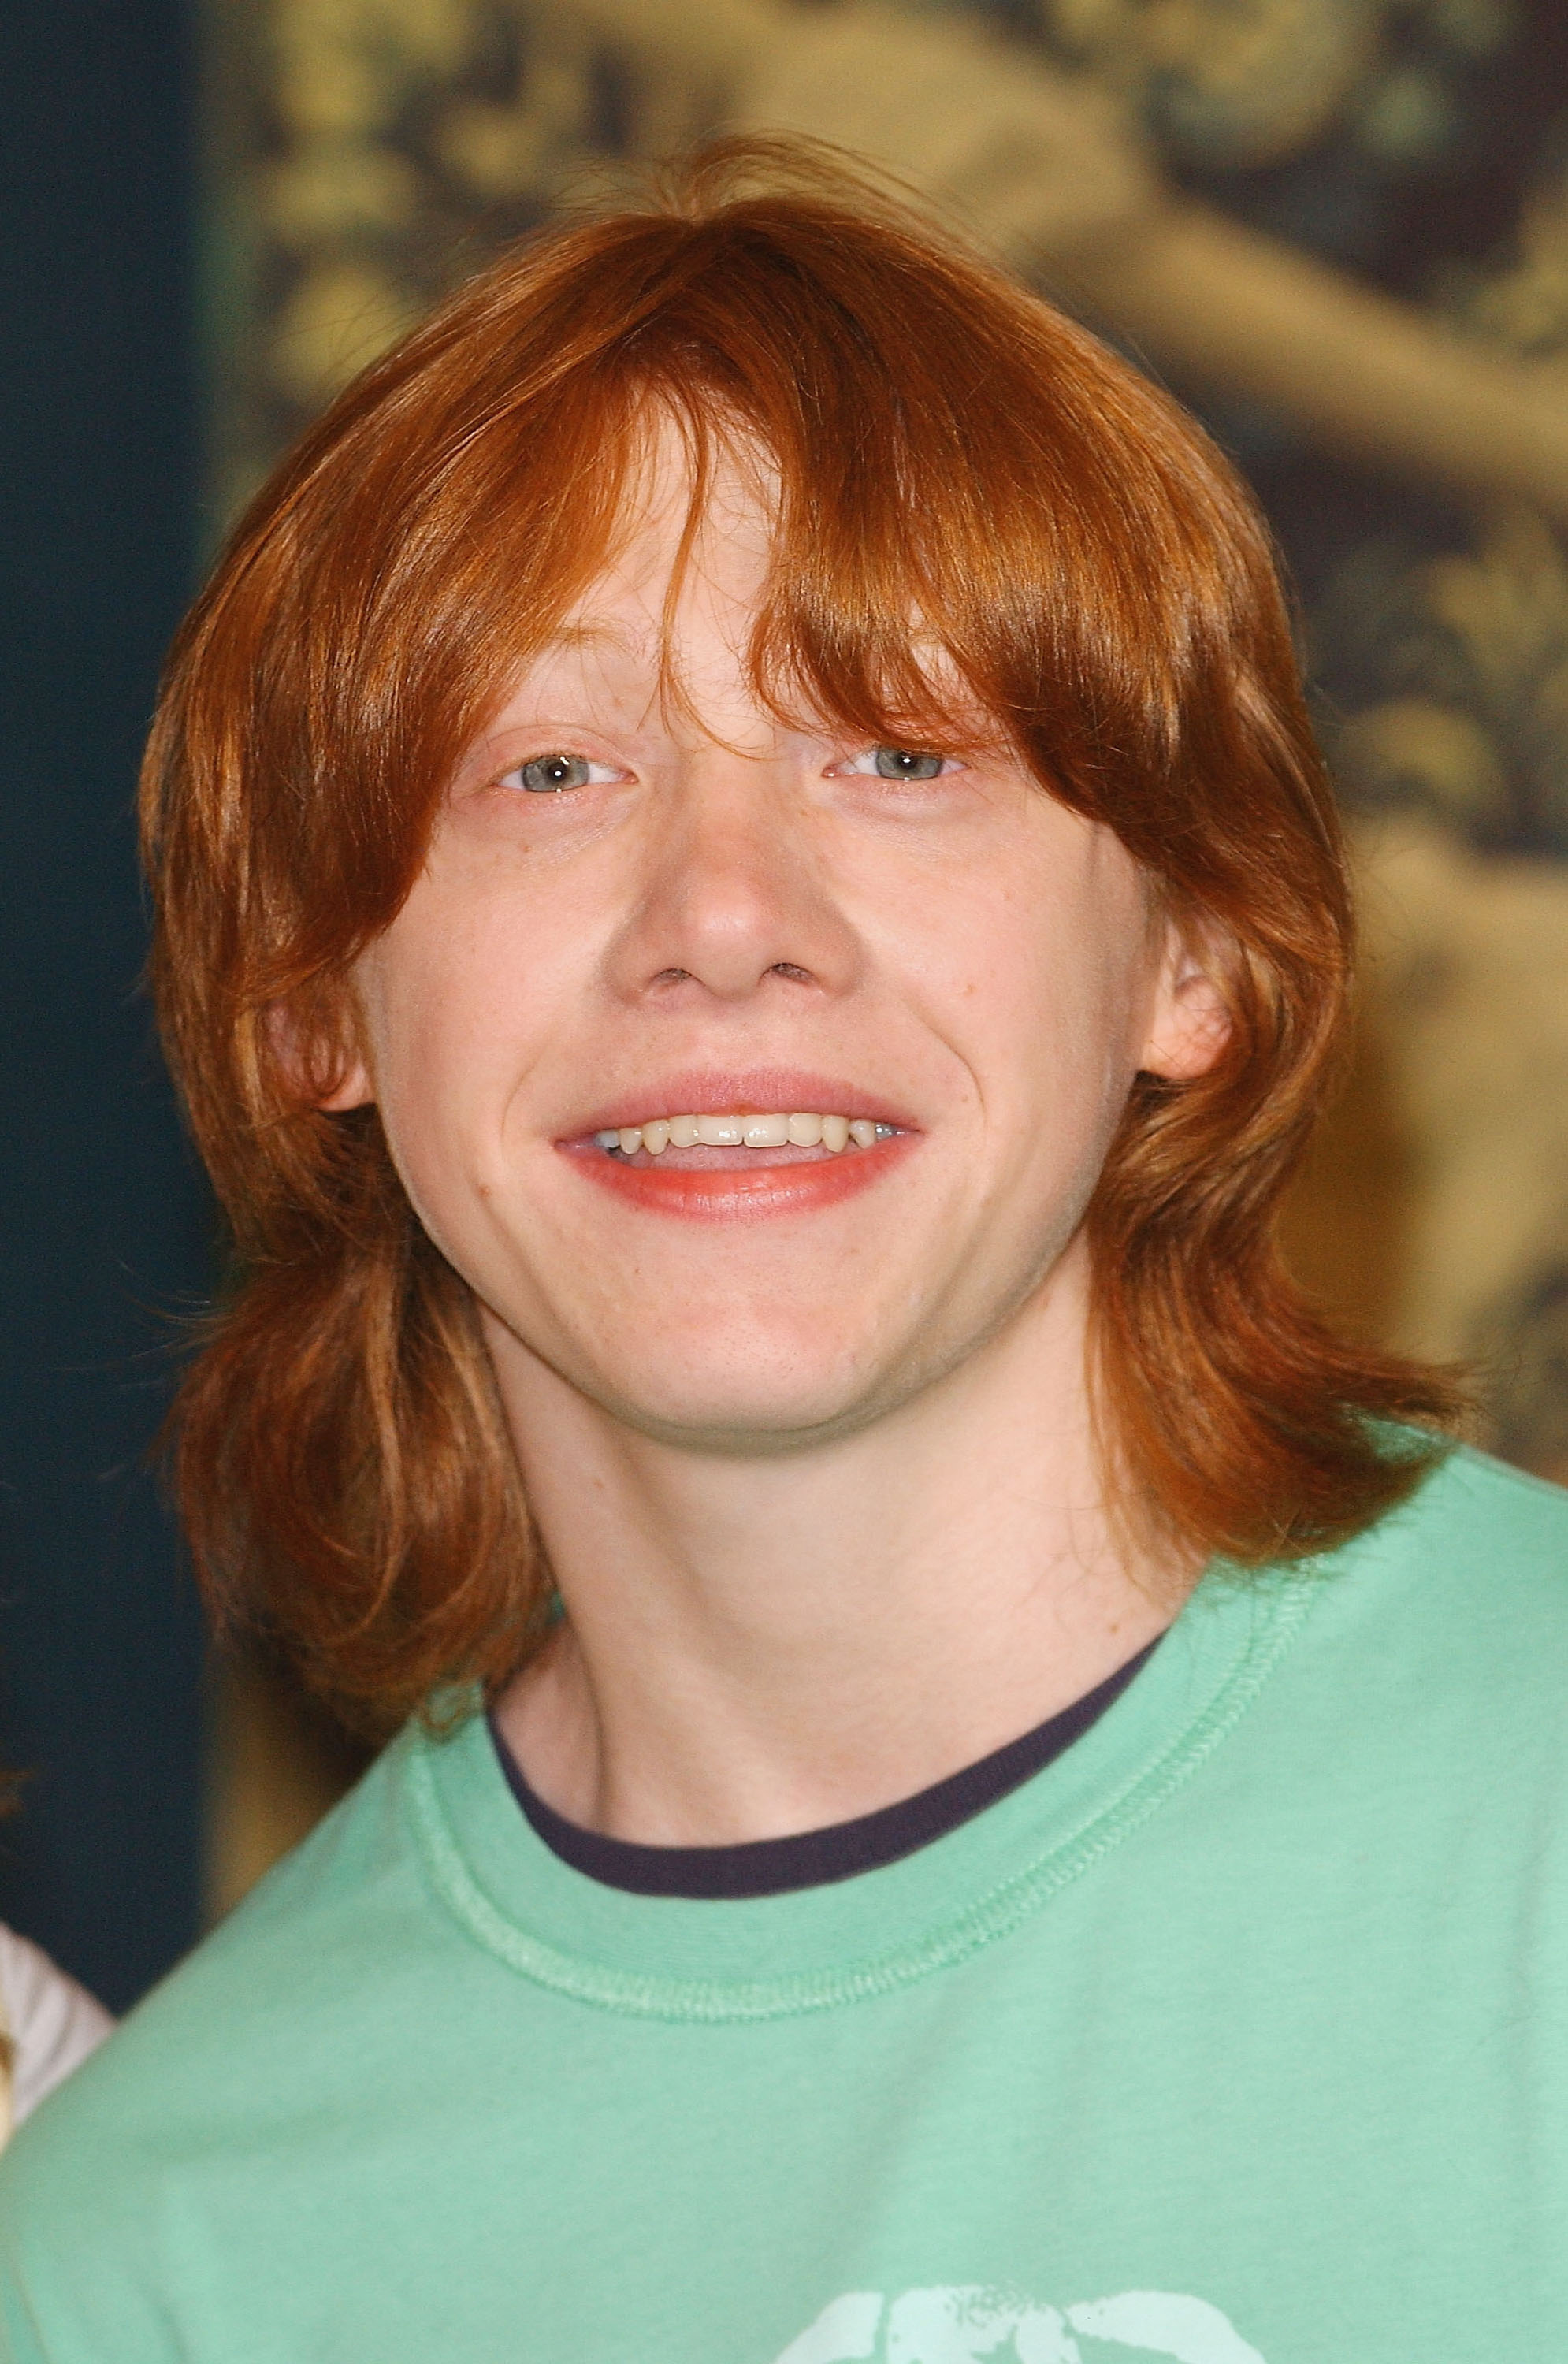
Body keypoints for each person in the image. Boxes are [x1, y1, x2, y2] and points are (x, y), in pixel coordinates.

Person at [1, 139, 1564, 2362]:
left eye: (901, 751)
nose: (724, 919)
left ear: (1195, 958)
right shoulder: (149, 2254)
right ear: (307, 1008)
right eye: (548, 772)